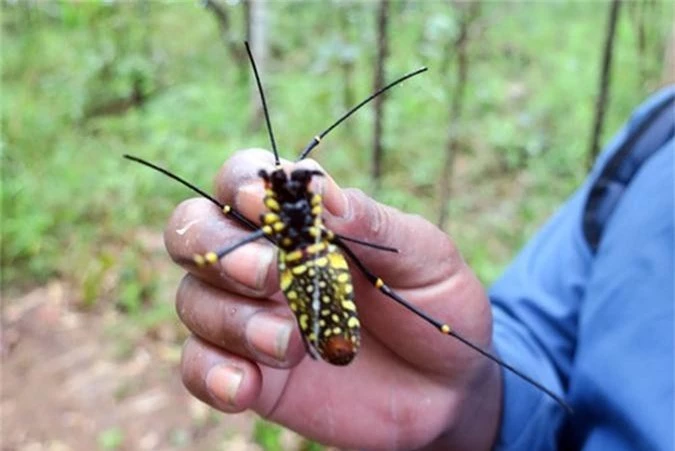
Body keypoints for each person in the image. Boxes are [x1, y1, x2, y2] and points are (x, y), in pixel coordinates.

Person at [164, 87, 673, 450]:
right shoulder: (655, 144)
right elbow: (541, 341)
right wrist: (471, 399)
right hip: (309, 266)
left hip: (313, 263)